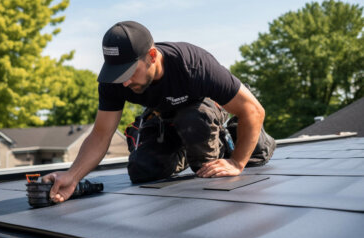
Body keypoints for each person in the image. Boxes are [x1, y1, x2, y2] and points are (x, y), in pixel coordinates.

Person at [43, 21, 275, 203]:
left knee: (198, 129)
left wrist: (236, 163)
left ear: (152, 56)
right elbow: (101, 134)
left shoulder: (193, 65)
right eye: (117, 74)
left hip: (202, 112)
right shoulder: (114, 81)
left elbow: (254, 111)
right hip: (167, 119)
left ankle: (227, 141)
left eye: (129, 72)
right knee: (142, 170)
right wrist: (72, 176)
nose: (123, 83)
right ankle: (185, 147)